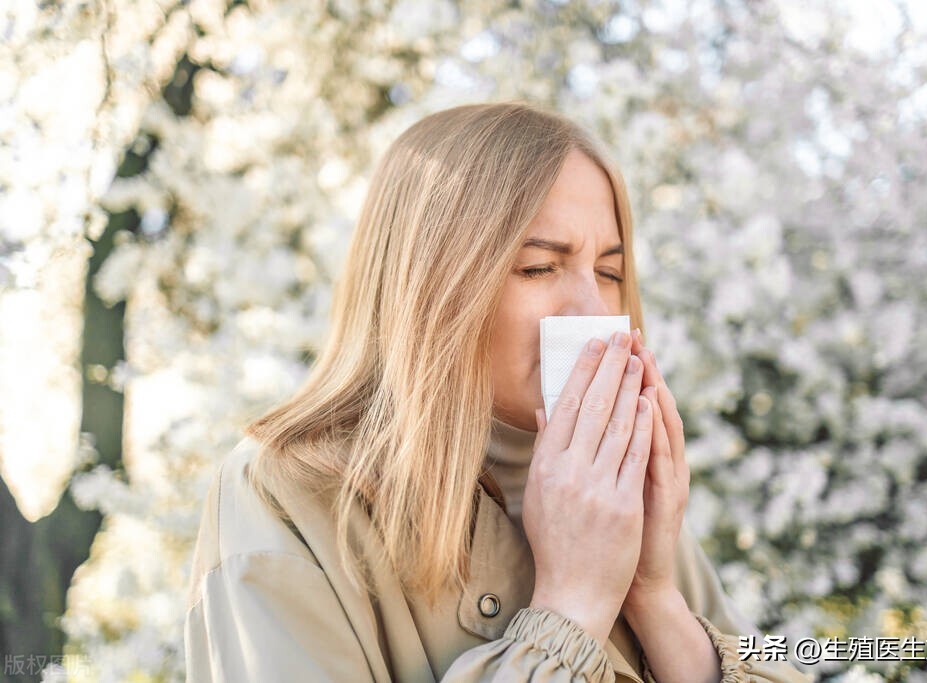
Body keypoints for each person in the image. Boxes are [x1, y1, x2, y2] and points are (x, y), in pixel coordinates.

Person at [184, 102, 814, 683]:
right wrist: (572, 604)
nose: (592, 310)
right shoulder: (287, 496)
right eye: (539, 267)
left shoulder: (618, 491)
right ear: (431, 286)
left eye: (610, 273)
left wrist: (653, 595)